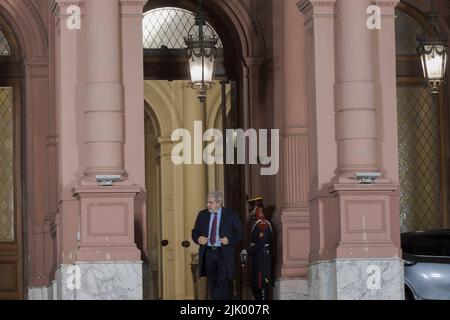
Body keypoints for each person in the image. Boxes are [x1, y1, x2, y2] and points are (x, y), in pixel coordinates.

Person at [192, 191, 243, 300]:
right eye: (207, 202)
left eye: (210, 202)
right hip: (208, 253)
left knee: (222, 282)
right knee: (213, 283)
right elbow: (194, 232)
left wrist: (229, 240)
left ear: (219, 203)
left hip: (223, 254)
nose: (207, 205)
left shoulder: (231, 214)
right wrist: (198, 238)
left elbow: (240, 233)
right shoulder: (202, 215)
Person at [240, 196, 272, 300]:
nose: (251, 212)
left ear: (257, 210)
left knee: (261, 284)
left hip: (262, 258)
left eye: (251, 208)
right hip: (257, 257)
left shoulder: (263, 225)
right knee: (254, 284)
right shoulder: (257, 224)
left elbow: (260, 244)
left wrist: (247, 251)